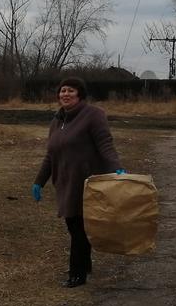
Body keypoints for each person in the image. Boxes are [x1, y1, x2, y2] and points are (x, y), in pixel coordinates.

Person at [32, 77, 124, 287]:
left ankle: (77, 273)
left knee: (79, 229)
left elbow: (105, 143)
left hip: (88, 183)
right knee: (75, 227)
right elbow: (51, 155)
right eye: (62, 91)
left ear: (79, 94)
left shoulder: (93, 115)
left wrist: (115, 167)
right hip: (65, 183)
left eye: (70, 91)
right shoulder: (57, 121)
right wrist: (39, 182)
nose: (65, 94)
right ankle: (85, 264)